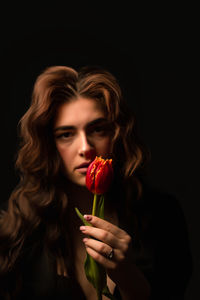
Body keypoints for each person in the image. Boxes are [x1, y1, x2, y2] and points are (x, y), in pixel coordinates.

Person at [0, 65, 193, 300]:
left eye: (98, 129)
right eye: (66, 134)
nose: (85, 149)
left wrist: (129, 277)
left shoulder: (162, 215)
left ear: (117, 135)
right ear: (50, 145)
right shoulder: (22, 229)